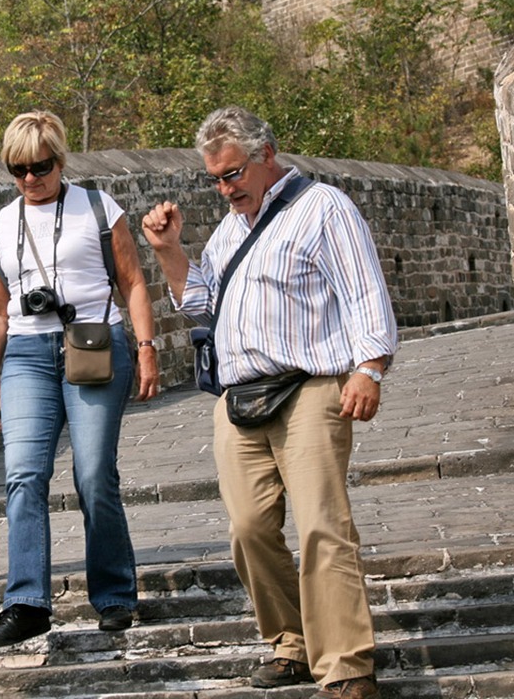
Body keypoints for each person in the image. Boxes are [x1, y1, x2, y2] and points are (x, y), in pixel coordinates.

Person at [141, 107, 397, 699]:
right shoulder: (231, 228)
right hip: (241, 396)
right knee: (249, 528)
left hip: (309, 386)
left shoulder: (322, 207)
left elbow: (364, 291)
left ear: (266, 156)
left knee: (321, 528)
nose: (225, 188)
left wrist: (369, 368)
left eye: (232, 174)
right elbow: (202, 305)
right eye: (215, 179)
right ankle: (292, 641)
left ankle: (346, 666)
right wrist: (169, 250)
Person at [0, 110, 160, 647]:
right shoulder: (1, 223)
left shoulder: (99, 209)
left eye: (40, 166)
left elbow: (132, 283)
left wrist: (147, 348)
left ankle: (113, 594)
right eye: (18, 169)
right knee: (22, 475)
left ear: (60, 160)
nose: (30, 178)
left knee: (93, 474)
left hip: (93, 346)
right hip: (27, 355)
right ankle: (27, 601)